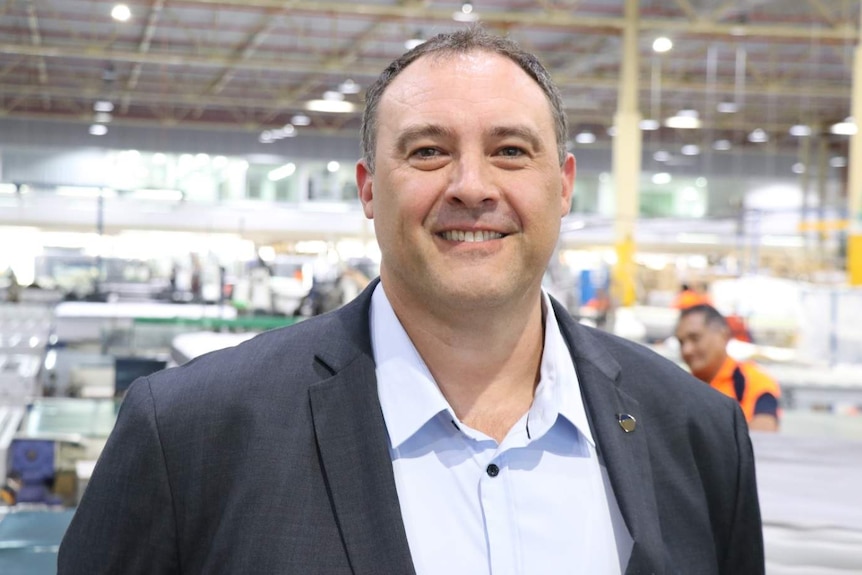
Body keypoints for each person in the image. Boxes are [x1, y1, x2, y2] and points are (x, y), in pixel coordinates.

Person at [58, 27, 764, 574]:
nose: (472, 185)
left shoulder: (698, 435)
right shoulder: (192, 435)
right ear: (369, 188)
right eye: (428, 151)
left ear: (564, 184)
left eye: (511, 151)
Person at [675, 304, 781, 432]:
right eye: (681, 342)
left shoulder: (754, 381)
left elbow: (763, 438)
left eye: (695, 338)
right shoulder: (680, 388)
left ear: (724, 335)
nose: (687, 350)